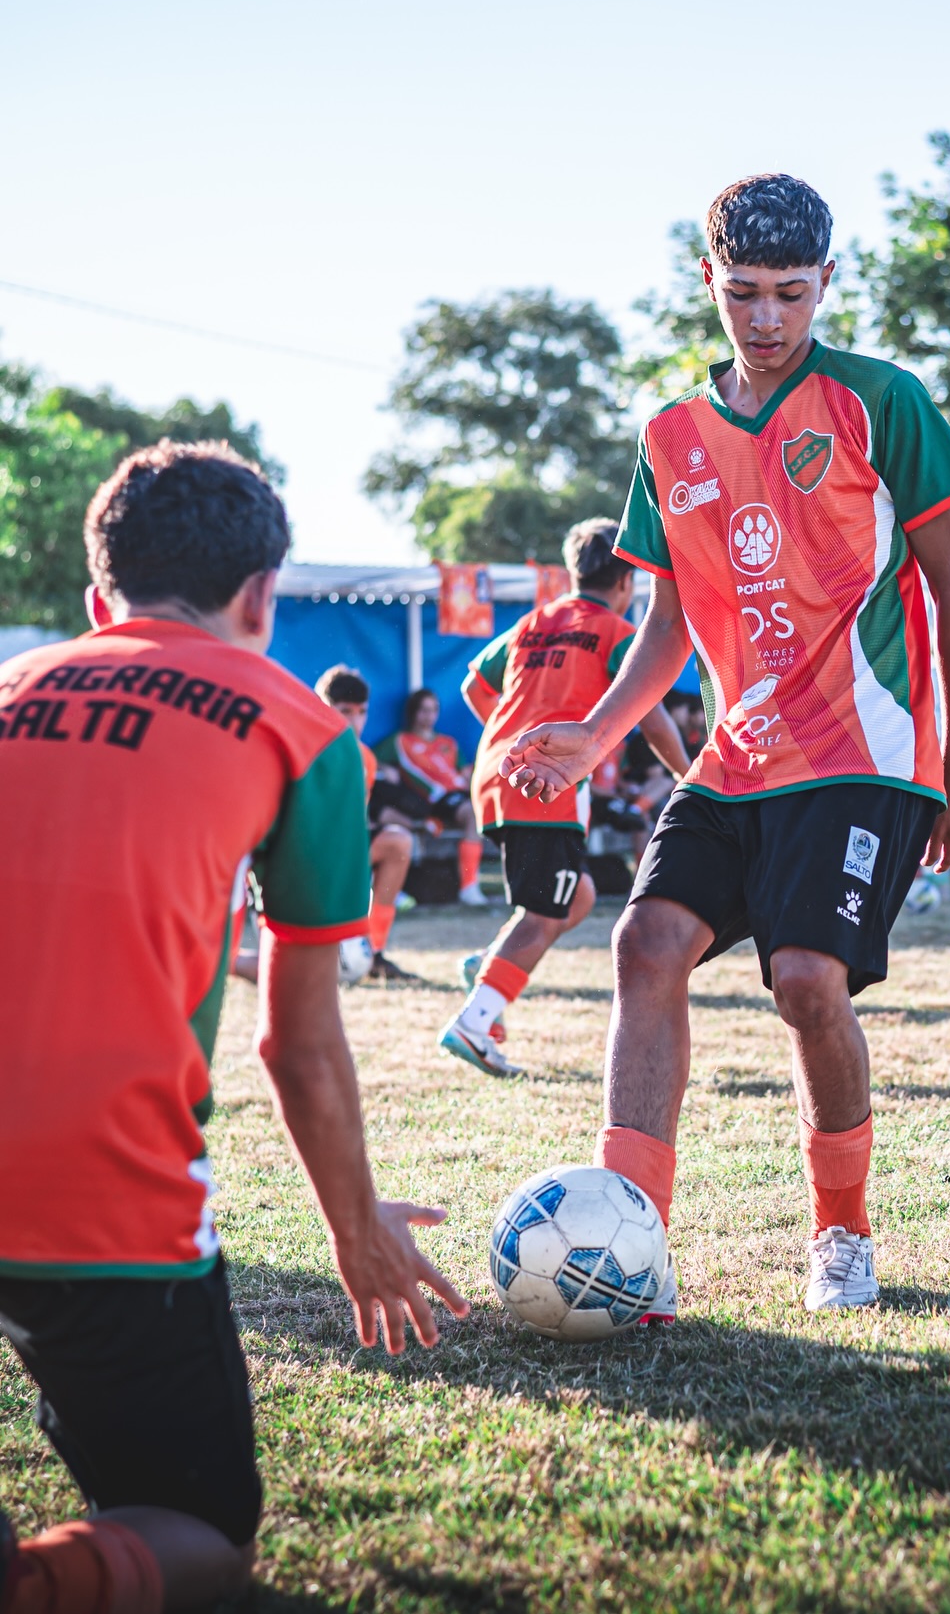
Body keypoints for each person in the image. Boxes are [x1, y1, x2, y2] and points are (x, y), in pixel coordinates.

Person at [500, 174, 950, 1316]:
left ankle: (842, 1234)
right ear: (706, 281)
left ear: (827, 284)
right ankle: (632, 1252)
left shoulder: (882, 400)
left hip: (869, 749)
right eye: (745, 293)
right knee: (644, 943)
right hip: (739, 753)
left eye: (790, 293)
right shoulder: (670, 435)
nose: (767, 318)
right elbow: (667, 622)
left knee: (808, 981)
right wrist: (593, 736)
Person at [0, 443, 466, 1614]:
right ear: (263, 596)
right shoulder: (303, 729)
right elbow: (296, 1043)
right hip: (91, 1193)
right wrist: (357, 1229)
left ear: (100, 597)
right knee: (200, 1534)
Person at [442, 520, 688, 1076]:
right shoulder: (617, 630)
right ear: (628, 579)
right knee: (545, 910)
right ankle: (475, 1022)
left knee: (574, 896)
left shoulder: (532, 623)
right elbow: (652, 718)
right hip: (545, 783)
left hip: (495, 774)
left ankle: (491, 965)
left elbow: (474, 686)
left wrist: (506, 740)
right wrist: (689, 776)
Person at [316, 666, 421, 982]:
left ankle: (373, 952)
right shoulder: (307, 749)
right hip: (308, 850)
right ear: (323, 707)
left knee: (398, 842)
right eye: (345, 711)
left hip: (346, 848)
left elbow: (357, 819)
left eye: (362, 712)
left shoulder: (365, 757)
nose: (355, 720)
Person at [375, 688, 488, 906]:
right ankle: (469, 886)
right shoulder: (400, 741)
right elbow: (367, 757)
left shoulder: (448, 743)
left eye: (434, 710)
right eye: (423, 710)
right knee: (474, 814)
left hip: (460, 794)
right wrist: (384, 767)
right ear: (413, 713)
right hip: (436, 800)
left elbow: (462, 770)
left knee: (485, 807)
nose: (429, 716)